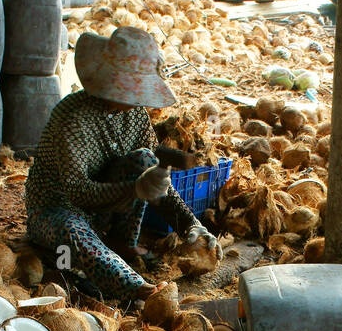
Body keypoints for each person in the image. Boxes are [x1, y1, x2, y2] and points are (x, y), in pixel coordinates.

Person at [25, 26, 219, 303]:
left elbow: (154, 180)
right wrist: (136, 189)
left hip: (104, 210)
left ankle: (120, 242)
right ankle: (134, 287)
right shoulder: (71, 118)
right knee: (70, 233)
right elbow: (77, 193)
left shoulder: (135, 116)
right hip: (57, 210)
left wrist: (189, 224)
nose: (136, 100)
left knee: (145, 160)